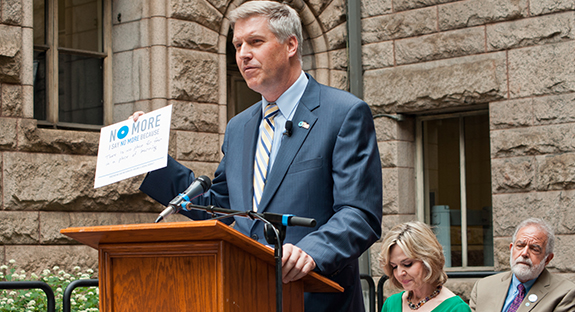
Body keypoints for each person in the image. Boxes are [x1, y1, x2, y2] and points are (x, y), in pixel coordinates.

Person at [131, 1, 383, 311]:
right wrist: (151, 158)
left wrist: (311, 252)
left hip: (313, 299)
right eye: (238, 45)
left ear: (291, 44)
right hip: (245, 297)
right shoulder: (239, 127)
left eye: (255, 42)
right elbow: (220, 207)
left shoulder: (343, 114)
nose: (243, 54)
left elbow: (359, 213)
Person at [470, 218, 575, 312]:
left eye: (534, 249)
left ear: (547, 259)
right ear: (511, 249)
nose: (524, 253)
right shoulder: (483, 287)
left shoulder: (565, 293)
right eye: (520, 246)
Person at [379, 221, 471, 312]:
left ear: (428, 260)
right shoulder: (391, 304)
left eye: (407, 264)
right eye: (394, 266)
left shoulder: (456, 309)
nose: (399, 273)